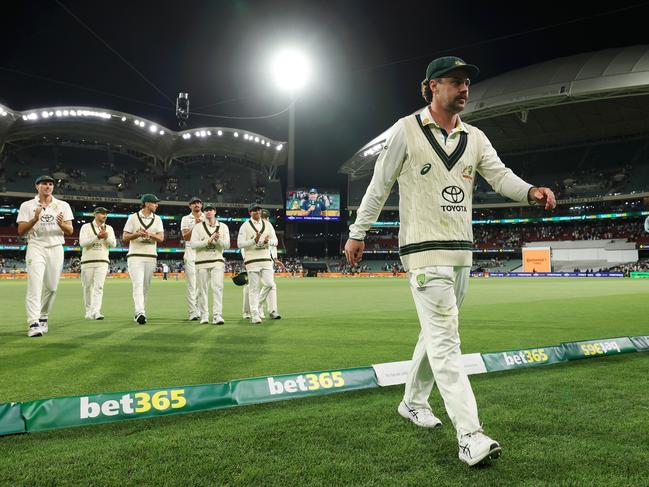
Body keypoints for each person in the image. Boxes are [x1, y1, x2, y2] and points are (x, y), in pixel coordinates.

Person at [344, 56, 556, 467]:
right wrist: (358, 231)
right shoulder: (405, 130)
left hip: (462, 253)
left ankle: (412, 401)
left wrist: (530, 191)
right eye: (456, 82)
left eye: (467, 84)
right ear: (432, 87)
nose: (465, 89)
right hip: (425, 253)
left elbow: (500, 176)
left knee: (435, 334)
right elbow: (380, 182)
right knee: (446, 341)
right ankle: (470, 435)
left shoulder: (475, 137)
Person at [16, 175, 74, 337]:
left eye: (50, 184)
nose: (47, 187)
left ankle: (43, 317)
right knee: (35, 285)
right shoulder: (27, 205)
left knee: (52, 288)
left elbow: (70, 230)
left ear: (53, 188)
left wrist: (61, 224)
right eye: (43, 184)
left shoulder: (62, 205)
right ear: (37, 187)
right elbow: (21, 231)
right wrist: (35, 218)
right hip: (36, 246)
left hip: (56, 247)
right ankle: (33, 323)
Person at [123, 194, 164, 325]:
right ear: (146, 204)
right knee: (138, 285)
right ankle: (140, 312)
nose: (157, 205)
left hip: (151, 256)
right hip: (135, 255)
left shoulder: (157, 219)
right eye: (154, 203)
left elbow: (161, 238)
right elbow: (125, 237)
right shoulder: (133, 217)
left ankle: (140, 312)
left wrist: (149, 234)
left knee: (145, 287)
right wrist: (137, 234)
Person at [237, 203, 280, 324]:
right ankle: (255, 314)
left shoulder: (268, 224)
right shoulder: (245, 226)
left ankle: (258, 305)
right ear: (250, 212)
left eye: (259, 210)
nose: (257, 212)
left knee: (270, 284)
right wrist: (253, 240)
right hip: (252, 260)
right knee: (253, 288)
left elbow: (275, 241)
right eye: (254, 210)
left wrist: (269, 241)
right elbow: (240, 244)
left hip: (266, 259)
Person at [189, 202, 230, 324]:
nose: (208, 212)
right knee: (202, 290)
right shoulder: (198, 227)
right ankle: (205, 315)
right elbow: (193, 244)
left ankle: (217, 315)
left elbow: (227, 245)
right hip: (201, 262)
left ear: (215, 212)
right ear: (204, 212)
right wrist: (208, 241)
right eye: (206, 210)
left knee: (217, 288)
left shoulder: (223, 226)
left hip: (217, 261)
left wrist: (218, 240)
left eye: (211, 210)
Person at [79, 207, 116, 320]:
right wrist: (97, 237)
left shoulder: (109, 228)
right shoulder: (86, 227)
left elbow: (113, 244)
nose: (105, 215)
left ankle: (96, 311)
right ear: (95, 214)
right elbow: (82, 243)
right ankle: (88, 311)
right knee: (87, 287)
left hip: (103, 261)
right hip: (87, 261)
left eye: (106, 213)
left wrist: (106, 237)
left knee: (99, 287)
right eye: (102, 213)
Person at [181, 197, 204, 320]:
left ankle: (200, 310)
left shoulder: (207, 217)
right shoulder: (186, 219)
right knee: (192, 284)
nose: (196, 204)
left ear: (201, 205)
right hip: (191, 251)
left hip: (203, 252)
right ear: (190, 206)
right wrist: (195, 225)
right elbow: (185, 237)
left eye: (199, 203)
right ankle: (192, 312)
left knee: (202, 284)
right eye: (194, 203)